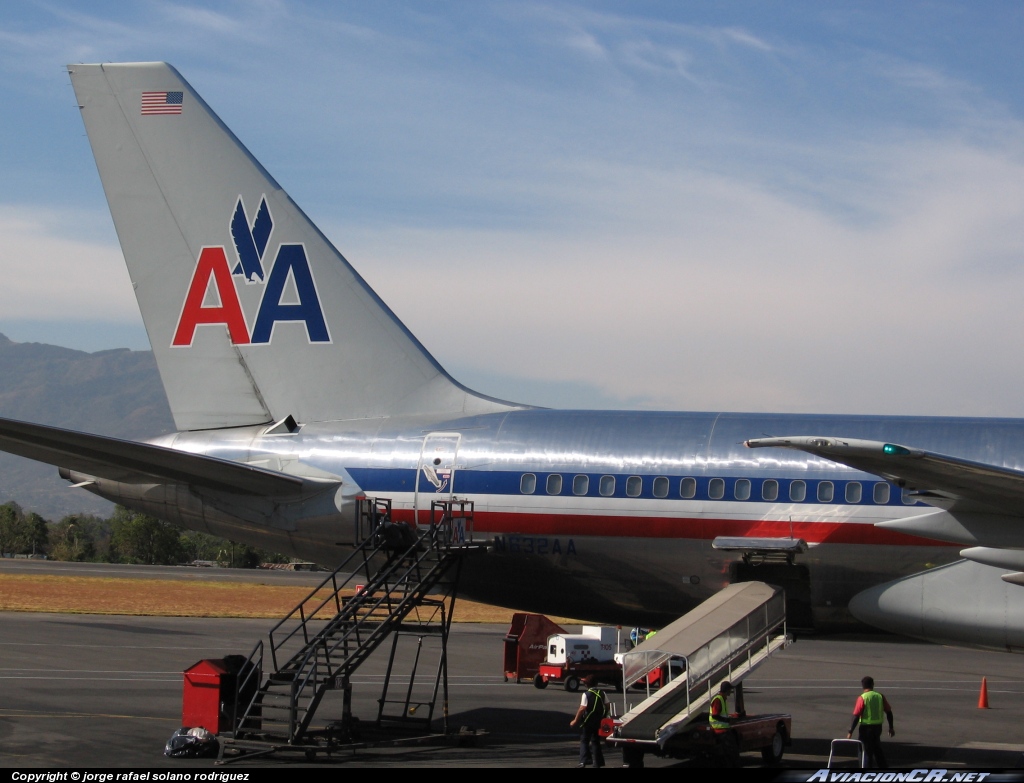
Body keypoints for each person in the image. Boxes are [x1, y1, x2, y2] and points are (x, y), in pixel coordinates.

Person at [846, 676, 895, 768]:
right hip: (877, 728)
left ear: (863, 686)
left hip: (866, 729)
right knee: (877, 749)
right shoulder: (880, 696)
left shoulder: (862, 698)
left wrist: (850, 731)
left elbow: (856, 715)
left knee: (865, 751)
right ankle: (884, 769)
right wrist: (891, 727)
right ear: (873, 684)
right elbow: (889, 712)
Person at [570, 675, 607, 767]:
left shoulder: (586, 694)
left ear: (586, 684)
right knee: (595, 741)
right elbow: (607, 705)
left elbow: (582, 708)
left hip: (588, 721)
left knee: (584, 740)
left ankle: (584, 761)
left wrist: (575, 720)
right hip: (598, 720)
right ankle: (598, 762)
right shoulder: (602, 693)